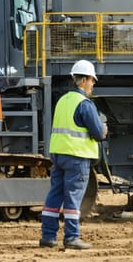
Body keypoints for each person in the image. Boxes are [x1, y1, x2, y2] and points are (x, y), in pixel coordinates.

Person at [39, 60, 107, 250]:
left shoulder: (63, 100)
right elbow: (97, 132)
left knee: (54, 196)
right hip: (77, 157)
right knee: (73, 198)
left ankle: (48, 237)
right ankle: (72, 237)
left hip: (59, 156)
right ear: (83, 80)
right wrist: (104, 130)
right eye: (92, 80)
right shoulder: (85, 104)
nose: (93, 84)